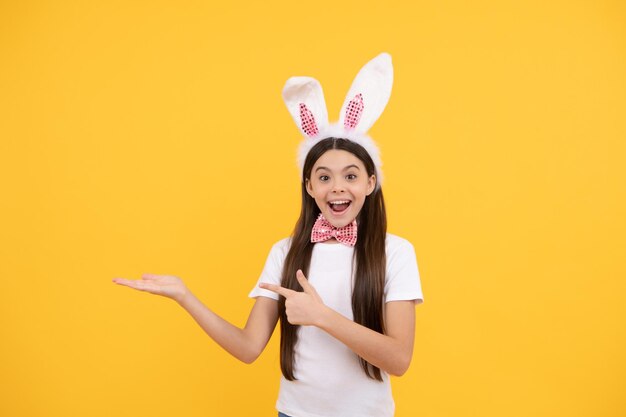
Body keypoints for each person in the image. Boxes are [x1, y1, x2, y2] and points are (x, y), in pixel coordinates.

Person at [113, 52, 424, 417]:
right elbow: (248, 348)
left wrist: (321, 316)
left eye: (351, 175)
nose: (337, 188)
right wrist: (185, 296)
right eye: (324, 177)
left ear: (371, 183)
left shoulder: (396, 253)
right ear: (309, 186)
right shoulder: (285, 252)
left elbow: (399, 359)